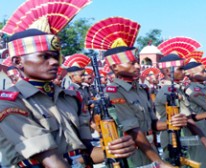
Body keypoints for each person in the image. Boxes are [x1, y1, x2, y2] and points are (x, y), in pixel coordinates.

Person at [0, 29, 136, 167]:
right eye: (44, 56)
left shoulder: (70, 98)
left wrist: (114, 150)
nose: (54, 62)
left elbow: (86, 152)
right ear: (18, 62)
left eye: (55, 56)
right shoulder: (10, 102)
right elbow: (51, 161)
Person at [104, 46, 187, 167]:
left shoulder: (142, 90)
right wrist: (160, 163)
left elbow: (152, 124)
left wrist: (171, 123)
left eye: (137, 62)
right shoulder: (114, 92)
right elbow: (133, 131)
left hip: (150, 149)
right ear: (115, 67)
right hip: (133, 155)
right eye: (132, 63)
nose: (138, 66)